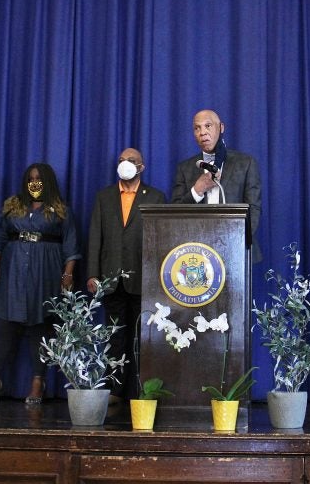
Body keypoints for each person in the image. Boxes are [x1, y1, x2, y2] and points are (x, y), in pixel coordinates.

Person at [0, 163, 81, 405]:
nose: (35, 183)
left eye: (39, 179)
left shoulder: (60, 210)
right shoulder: (12, 207)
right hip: (14, 271)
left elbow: (71, 247)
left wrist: (67, 275)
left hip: (45, 272)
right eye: (30, 178)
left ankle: (38, 380)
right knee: (5, 325)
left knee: (40, 326)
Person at [86, 148, 166, 401]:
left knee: (143, 339)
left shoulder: (155, 197)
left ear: (141, 167)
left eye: (131, 161)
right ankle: (115, 392)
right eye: (121, 160)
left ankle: (142, 392)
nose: (125, 164)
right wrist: (92, 273)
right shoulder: (104, 196)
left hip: (144, 280)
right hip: (111, 280)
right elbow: (95, 237)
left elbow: (161, 241)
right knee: (115, 338)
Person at [171, 109, 262, 261]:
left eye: (208, 126)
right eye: (197, 128)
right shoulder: (184, 168)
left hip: (236, 251)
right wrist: (196, 191)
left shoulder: (246, 163)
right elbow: (174, 213)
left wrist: (236, 243)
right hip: (197, 253)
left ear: (221, 128)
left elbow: (254, 209)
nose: (202, 132)